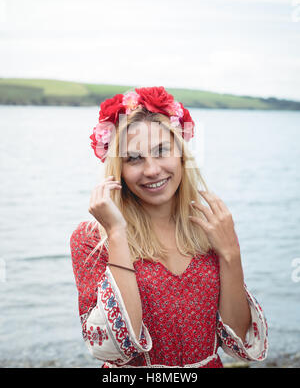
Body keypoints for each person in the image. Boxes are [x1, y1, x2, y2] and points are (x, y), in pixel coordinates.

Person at [70, 86, 268, 368]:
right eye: (134, 158)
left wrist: (230, 252)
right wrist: (117, 233)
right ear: (119, 170)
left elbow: (239, 343)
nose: (151, 170)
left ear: (182, 156)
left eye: (161, 151)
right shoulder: (92, 238)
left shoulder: (208, 226)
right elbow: (119, 347)